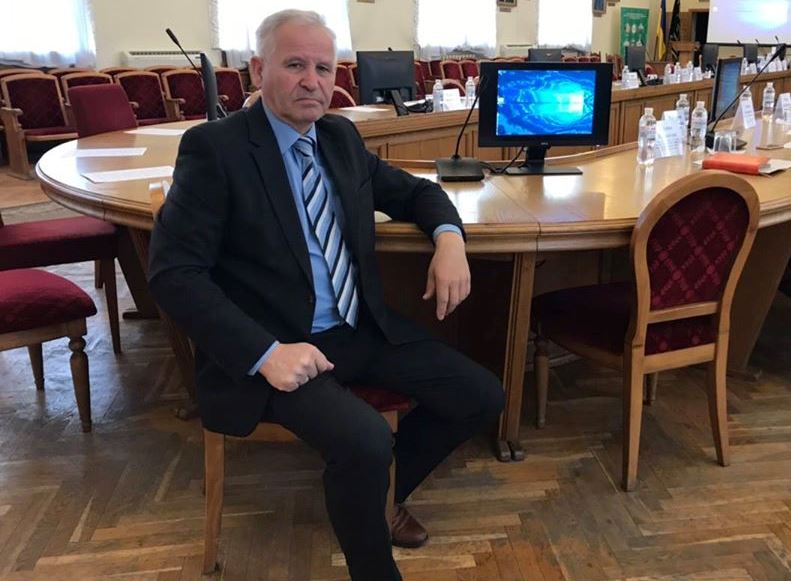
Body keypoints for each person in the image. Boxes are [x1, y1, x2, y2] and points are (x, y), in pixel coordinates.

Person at [148, 9, 504, 581]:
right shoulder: (215, 149)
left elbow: (416, 193)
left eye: (324, 67)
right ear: (258, 69)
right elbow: (174, 274)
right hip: (273, 347)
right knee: (365, 440)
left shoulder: (339, 137)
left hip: (355, 329)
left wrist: (448, 238)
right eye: (295, 65)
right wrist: (266, 353)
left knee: (481, 395)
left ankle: (375, 498)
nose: (312, 81)